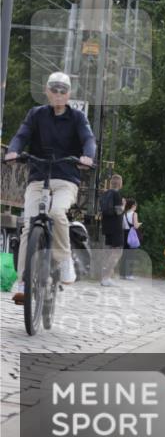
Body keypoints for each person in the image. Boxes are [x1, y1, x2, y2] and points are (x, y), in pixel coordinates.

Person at [5, 71, 95, 304]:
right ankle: (23, 281)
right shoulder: (36, 115)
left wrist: (87, 156)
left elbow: (88, 139)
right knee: (28, 225)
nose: (57, 94)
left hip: (66, 179)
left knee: (56, 213)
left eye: (62, 90)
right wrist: (13, 151)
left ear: (69, 94)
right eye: (53, 89)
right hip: (38, 177)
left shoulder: (77, 118)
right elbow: (21, 135)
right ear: (46, 91)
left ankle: (64, 262)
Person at [100, 173, 125, 286]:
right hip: (116, 226)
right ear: (120, 184)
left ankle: (105, 277)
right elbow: (119, 211)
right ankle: (106, 277)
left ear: (111, 183)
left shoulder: (105, 194)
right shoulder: (116, 195)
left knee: (109, 251)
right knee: (117, 251)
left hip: (106, 225)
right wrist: (123, 205)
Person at [120, 198, 141, 280]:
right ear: (133, 205)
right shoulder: (134, 214)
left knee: (124, 254)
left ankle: (122, 274)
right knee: (131, 254)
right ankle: (129, 274)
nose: (136, 207)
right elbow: (135, 226)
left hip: (124, 233)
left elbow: (122, 225)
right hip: (131, 234)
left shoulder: (124, 213)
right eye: (136, 205)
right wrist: (139, 224)